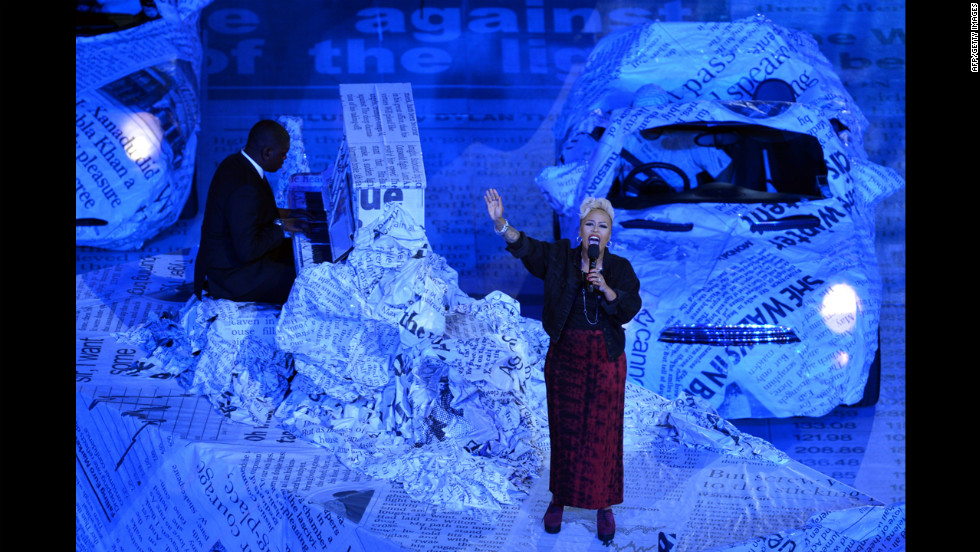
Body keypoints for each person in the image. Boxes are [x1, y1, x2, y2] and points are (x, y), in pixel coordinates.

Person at [483, 188, 641, 543]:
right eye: (589, 224)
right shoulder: (559, 259)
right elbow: (527, 248)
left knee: (604, 434)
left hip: (605, 361)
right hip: (566, 360)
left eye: (603, 225)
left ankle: (604, 506)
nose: (595, 230)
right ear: (579, 231)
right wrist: (501, 223)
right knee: (565, 431)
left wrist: (608, 290)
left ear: (609, 234)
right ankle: (560, 499)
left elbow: (631, 306)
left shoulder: (620, 269)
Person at [194, 119, 310, 305]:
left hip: (229, 259)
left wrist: (292, 214)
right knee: (307, 278)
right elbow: (247, 250)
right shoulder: (245, 189)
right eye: (283, 155)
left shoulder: (235, 163)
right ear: (267, 153)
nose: (285, 159)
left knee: (298, 253)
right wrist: (283, 226)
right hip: (230, 276)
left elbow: (256, 212)